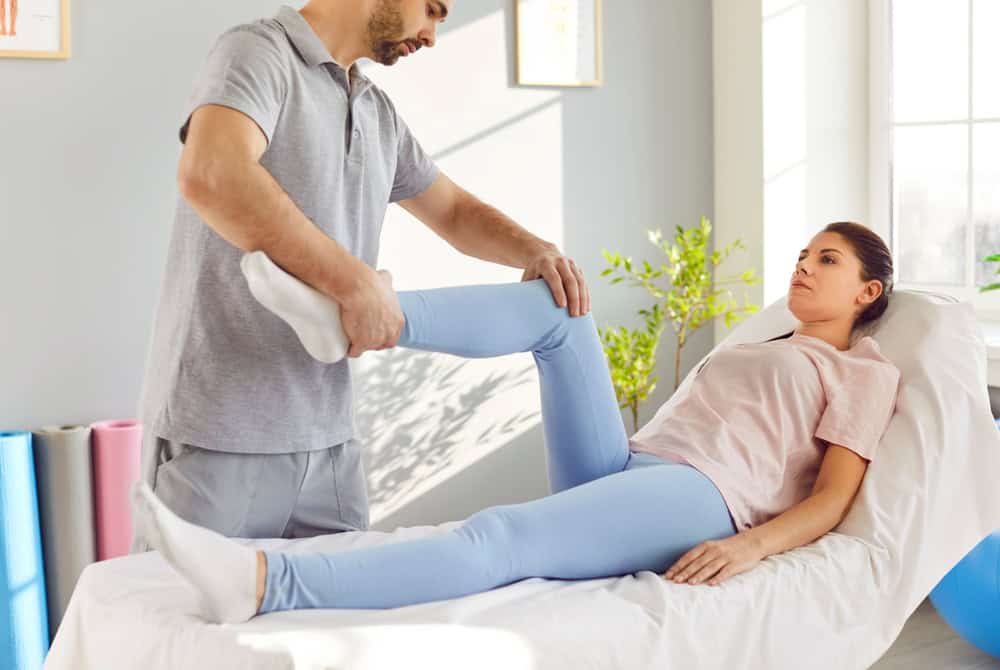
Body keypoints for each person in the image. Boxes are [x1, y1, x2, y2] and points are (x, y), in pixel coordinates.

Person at [131, 222, 901, 623]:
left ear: (867, 293)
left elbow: (834, 498)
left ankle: (266, 584)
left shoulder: (861, 372)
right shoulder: (762, 343)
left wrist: (747, 546)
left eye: (827, 260)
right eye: (803, 253)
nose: (803, 265)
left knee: (499, 536)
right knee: (559, 312)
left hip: (705, 496)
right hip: (634, 465)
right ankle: (359, 319)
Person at [132, 0, 590, 553]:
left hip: (330, 445)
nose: (432, 35)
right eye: (432, 10)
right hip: (221, 436)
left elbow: (452, 211)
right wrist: (353, 282)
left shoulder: (375, 110)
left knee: (337, 609)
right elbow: (212, 173)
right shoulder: (258, 53)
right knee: (182, 608)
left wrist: (535, 251)